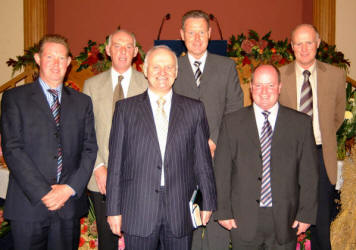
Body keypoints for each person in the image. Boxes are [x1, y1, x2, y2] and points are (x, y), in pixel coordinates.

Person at [106, 45, 217, 250]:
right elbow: (115, 165)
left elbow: (202, 160)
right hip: (139, 208)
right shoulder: (125, 110)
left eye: (168, 67)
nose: (163, 73)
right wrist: (113, 209)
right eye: (156, 67)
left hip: (180, 208)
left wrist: (208, 200)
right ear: (146, 70)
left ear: (176, 72)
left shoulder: (194, 109)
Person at [0, 34, 97, 250]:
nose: (56, 64)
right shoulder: (14, 98)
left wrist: (68, 189)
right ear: (37, 59)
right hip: (29, 205)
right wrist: (45, 192)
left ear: (69, 62)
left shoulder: (82, 102)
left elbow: (90, 149)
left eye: (62, 58)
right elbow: (12, 149)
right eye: (50, 57)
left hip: (68, 206)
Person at [214, 64, 319, 250]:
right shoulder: (232, 123)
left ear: (279, 87)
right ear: (251, 88)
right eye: (259, 85)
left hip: (285, 219)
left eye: (270, 85)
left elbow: (309, 174)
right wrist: (223, 210)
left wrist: (307, 213)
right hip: (242, 219)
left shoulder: (300, 124)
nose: (264, 91)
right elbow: (222, 171)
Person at [173, 9, 244, 249]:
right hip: (181, 161)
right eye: (191, 32)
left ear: (210, 34)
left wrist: (214, 140)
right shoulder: (171, 68)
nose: (196, 37)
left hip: (219, 158)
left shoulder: (226, 67)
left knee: (217, 227)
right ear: (182, 34)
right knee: (184, 227)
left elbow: (235, 111)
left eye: (201, 32)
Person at [279, 24, 346, 250]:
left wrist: (320, 138)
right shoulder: (279, 76)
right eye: (299, 43)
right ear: (292, 46)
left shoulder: (336, 76)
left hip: (320, 156)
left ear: (318, 44)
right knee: (286, 218)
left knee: (320, 222)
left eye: (309, 42)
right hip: (287, 156)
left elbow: (337, 116)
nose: (304, 48)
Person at [83, 29, 148, 250]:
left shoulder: (148, 84)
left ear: (136, 52)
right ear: (108, 50)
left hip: (139, 179)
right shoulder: (91, 86)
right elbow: (85, 131)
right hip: (101, 178)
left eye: (128, 46)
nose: (123, 51)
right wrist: (98, 166)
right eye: (117, 46)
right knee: (107, 241)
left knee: (139, 239)